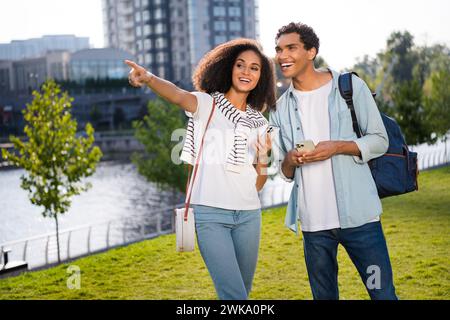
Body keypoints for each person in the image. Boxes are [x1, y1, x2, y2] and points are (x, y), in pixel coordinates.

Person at [125, 38, 276, 300]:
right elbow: (177, 94)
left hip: (250, 216)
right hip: (211, 216)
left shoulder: (259, 121)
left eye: (254, 68)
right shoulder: (208, 105)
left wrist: (263, 157)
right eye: (240, 65)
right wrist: (148, 77)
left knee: (243, 292)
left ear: (260, 77)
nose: (246, 72)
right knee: (234, 296)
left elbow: (259, 181)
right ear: (229, 68)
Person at [269, 22, 398, 300]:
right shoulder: (279, 109)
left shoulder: (349, 87)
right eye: (279, 49)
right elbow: (284, 171)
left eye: (291, 48)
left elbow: (379, 140)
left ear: (311, 51)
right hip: (314, 227)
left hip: (361, 221)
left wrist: (337, 147)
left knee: (383, 294)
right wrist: (290, 159)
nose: (282, 55)